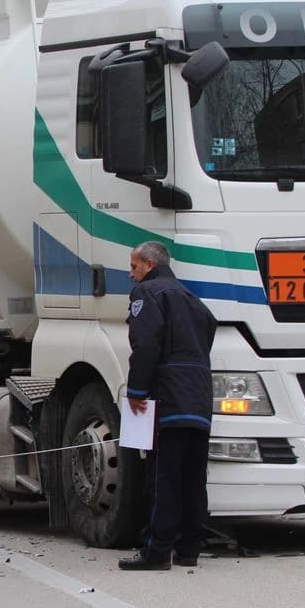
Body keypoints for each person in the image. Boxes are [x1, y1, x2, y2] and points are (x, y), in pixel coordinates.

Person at [119, 241, 218, 571]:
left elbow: (146, 343)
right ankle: (189, 549)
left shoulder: (148, 292)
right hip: (199, 395)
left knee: (163, 477)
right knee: (193, 477)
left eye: (134, 266)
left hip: (169, 396)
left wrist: (137, 389)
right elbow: (209, 328)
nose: (130, 274)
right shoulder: (190, 296)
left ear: (149, 264)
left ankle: (156, 551)